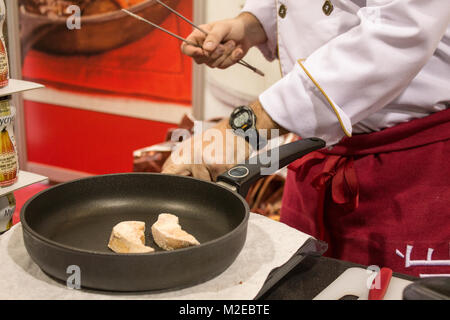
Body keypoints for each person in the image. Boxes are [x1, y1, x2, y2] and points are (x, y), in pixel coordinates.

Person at [162, 0, 450, 277]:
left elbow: (398, 31)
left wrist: (244, 129)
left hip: (411, 167)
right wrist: (251, 24)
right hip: (315, 154)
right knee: (296, 282)